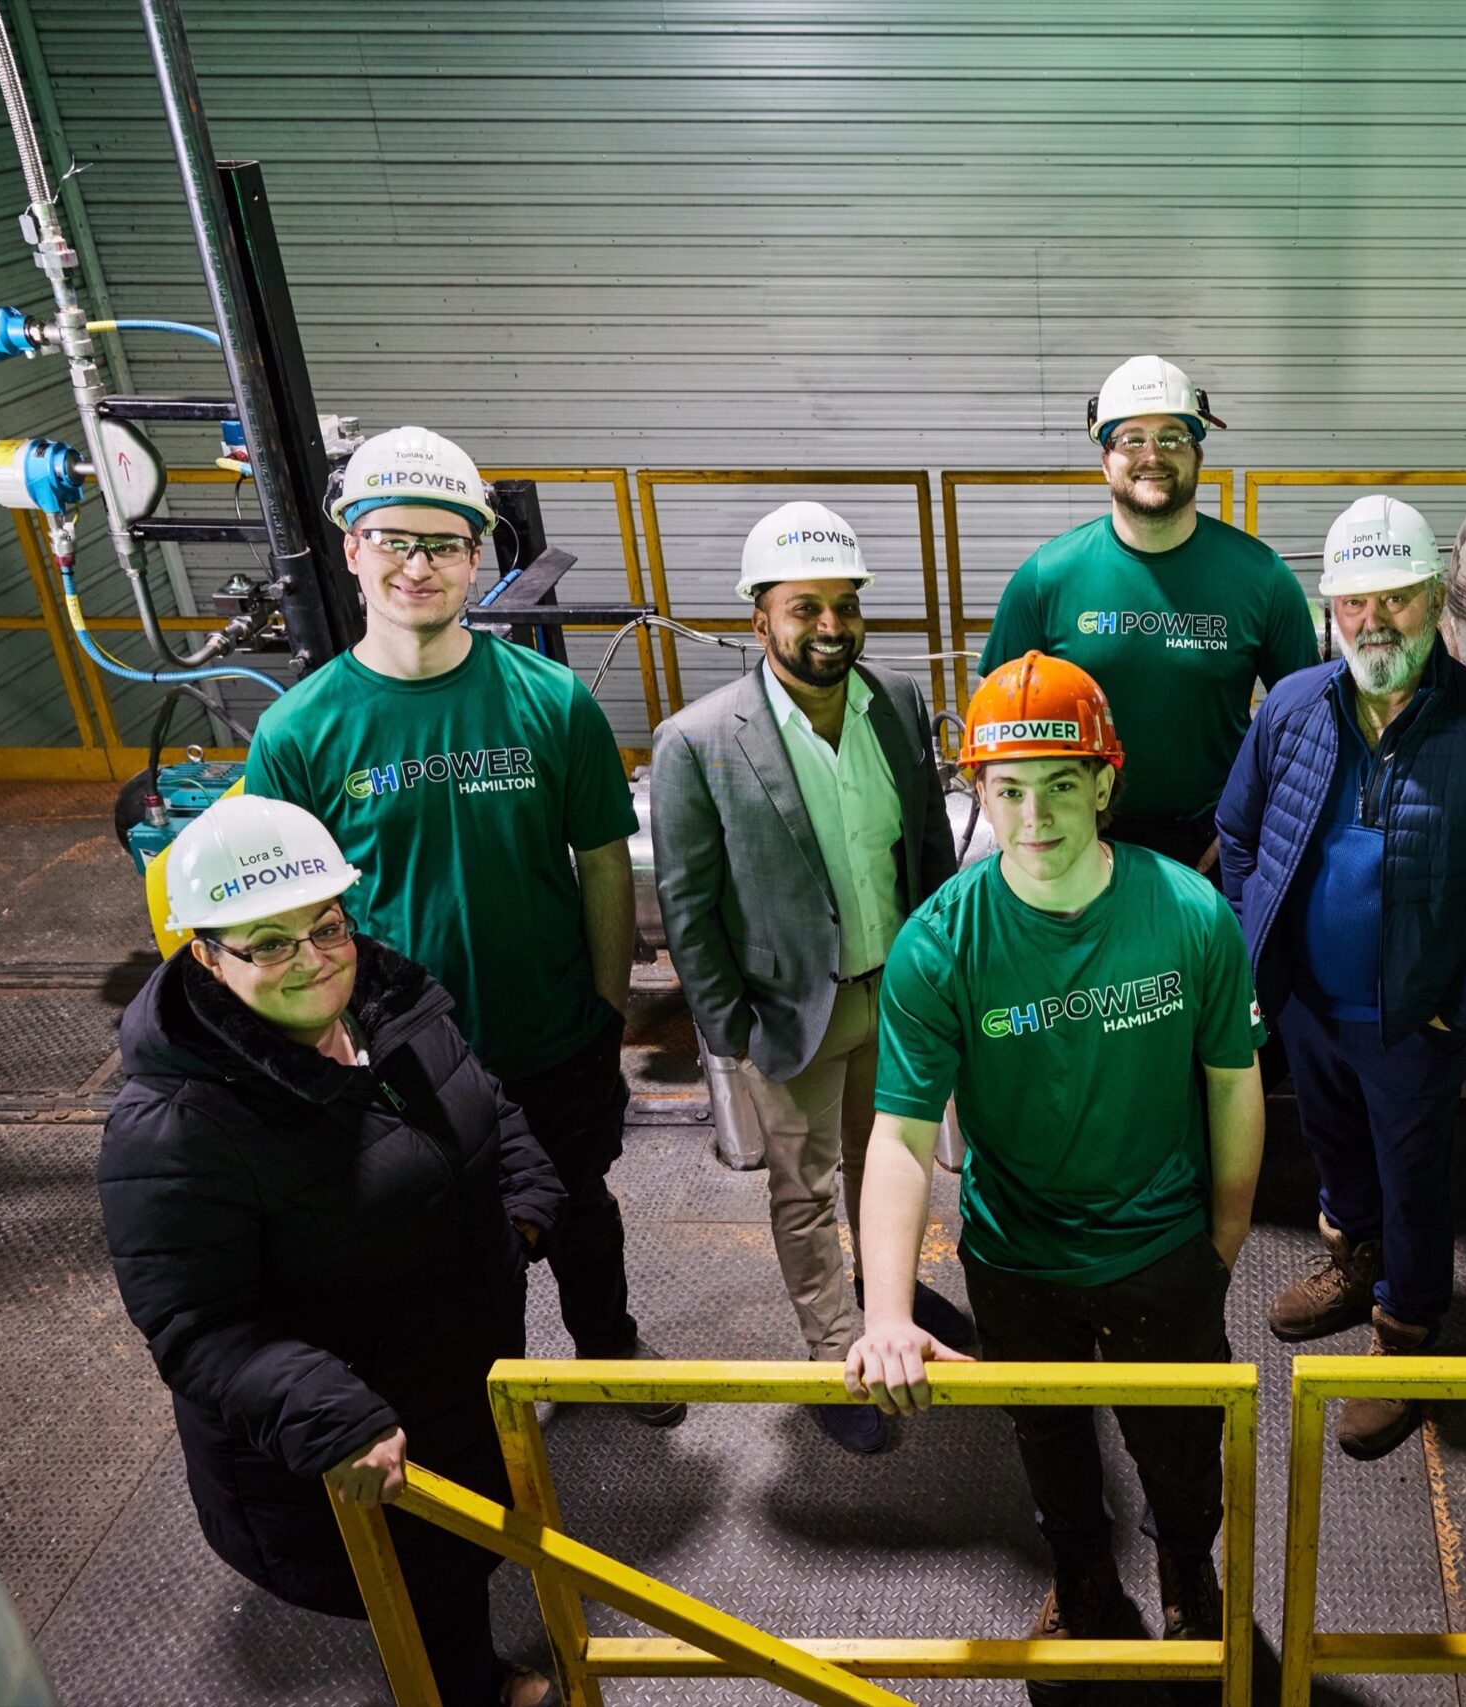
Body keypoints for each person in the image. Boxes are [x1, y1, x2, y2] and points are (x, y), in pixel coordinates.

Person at [843, 653, 1267, 1692]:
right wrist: (889, 1313)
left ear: (1106, 781)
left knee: (1182, 1455)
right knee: (1050, 1448)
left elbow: (1231, 1087)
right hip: (1016, 1260)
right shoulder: (940, 945)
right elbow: (899, 1138)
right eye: (1010, 790)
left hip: (1163, 1248)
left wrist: (1219, 1243)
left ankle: (1187, 1575)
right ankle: (1084, 1583)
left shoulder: (1190, 915)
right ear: (979, 793)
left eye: (1062, 785)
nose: (1036, 816)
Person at [246, 426, 679, 1425]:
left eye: (444, 543)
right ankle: (497, 1387)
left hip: (553, 1030)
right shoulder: (300, 731)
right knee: (449, 1237)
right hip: (403, 1055)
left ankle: (607, 1347)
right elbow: (284, 915)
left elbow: (604, 862)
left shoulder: (551, 702)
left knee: (578, 1205)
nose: (418, 564)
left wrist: (606, 1008)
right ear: (351, 549)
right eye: (393, 539)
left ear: (478, 555)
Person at [99, 797, 567, 1707]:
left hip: (450, 1366)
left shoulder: (391, 1001)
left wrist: (524, 1208)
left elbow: (483, 1103)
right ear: (204, 954)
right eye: (267, 942)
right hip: (350, 1415)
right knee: (417, 1573)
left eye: (324, 925)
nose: (311, 958)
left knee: (453, 1552)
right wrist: (330, 1412)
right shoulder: (173, 1128)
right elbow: (197, 1325)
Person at [1216, 496, 1466, 1460]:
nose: (1375, 622)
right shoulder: (1290, 709)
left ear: (1436, 599)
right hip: (1310, 1009)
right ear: (1331, 609)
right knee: (1332, 1149)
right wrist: (1260, 957)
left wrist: (1460, 1008)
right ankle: (1349, 1260)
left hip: (1417, 1021)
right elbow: (1238, 834)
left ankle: (1404, 1334)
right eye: (1354, 603)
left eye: (1397, 599)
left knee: (1417, 1181)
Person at [649, 501, 973, 1454]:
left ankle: (892, 1306)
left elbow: (926, 850)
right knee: (806, 1185)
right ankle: (839, 1349)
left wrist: (940, 970)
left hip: (896, 993)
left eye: (844, 604)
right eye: (804, 608)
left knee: (892, 1165)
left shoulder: (900, 704)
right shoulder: (699, 741)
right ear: (761, 618)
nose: (829, 627)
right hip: (789, 1011)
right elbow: (686, 902)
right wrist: (729, 1030)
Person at [980, 355, 1318, 868]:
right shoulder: (1046, 579)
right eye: (1132, 439)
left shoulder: (1261, 578)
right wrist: (1039, 831)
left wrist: (1253, 823)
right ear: (1105, 460)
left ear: (1198, 455)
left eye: (1173, 437)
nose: (1152, 455)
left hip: (1219, 842)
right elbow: (995, 725)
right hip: (1080, 840)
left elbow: (1311, 727)